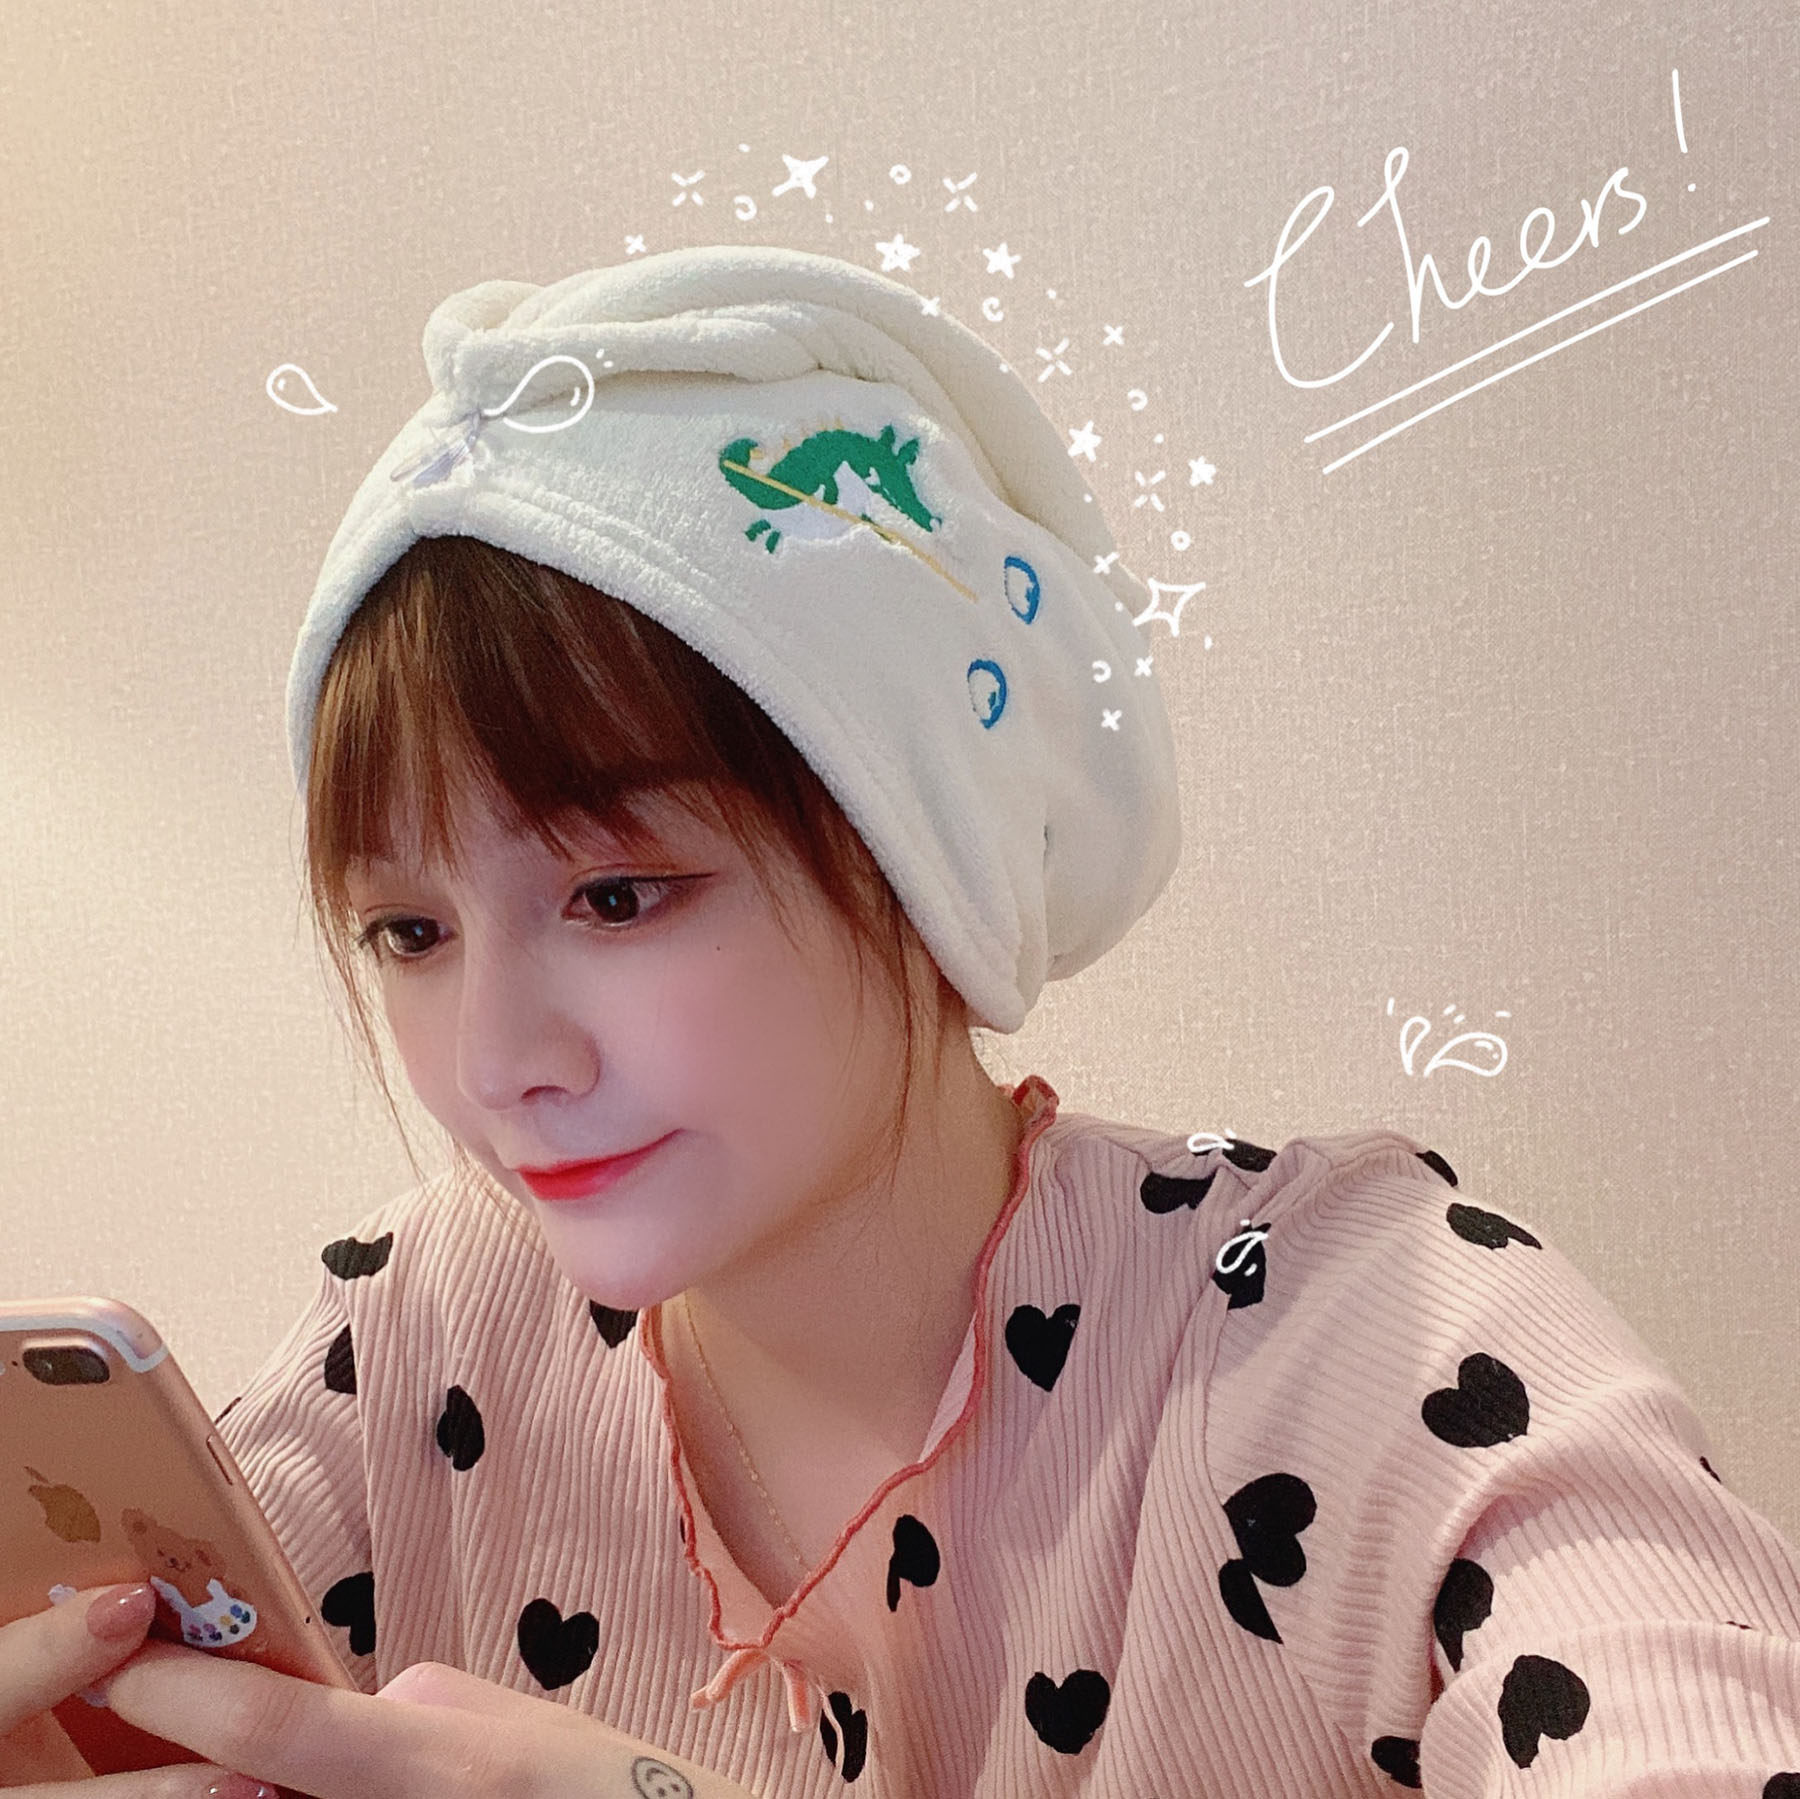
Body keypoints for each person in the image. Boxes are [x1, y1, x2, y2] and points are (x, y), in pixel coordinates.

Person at [4, 245, 1798, 1798]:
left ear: (921, 851)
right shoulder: (428, 1331)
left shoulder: (1372, 1346)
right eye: (409, 930)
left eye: (617, 897)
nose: (494, 1066)